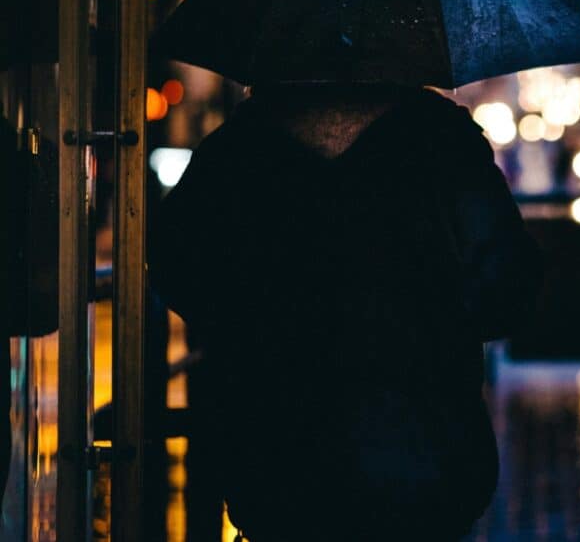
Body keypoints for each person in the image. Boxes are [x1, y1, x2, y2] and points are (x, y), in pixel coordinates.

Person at [150, 82, 542, 540]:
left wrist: (251, 324)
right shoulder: (440, 137)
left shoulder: (242, 143)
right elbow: (506, 290)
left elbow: (177, 264)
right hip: (425, 450)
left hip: (277, 454)